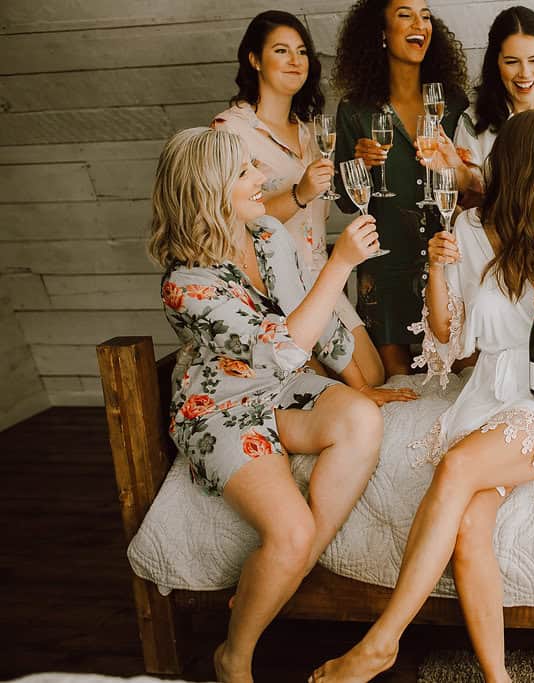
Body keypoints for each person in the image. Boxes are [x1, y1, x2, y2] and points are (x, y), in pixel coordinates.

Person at [310, 109, 534, 682]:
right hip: (492, 388)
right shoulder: (470, 230)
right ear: (522, 161)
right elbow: (448, 341)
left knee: (456, 466)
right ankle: (498, 678)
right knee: (470, 523)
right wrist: (434, 271)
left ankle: (381, 643)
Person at [149, 127, 385, 682]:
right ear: (207, 191)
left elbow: (311, 312)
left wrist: (362, 384)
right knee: (289, 530)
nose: (263, 181)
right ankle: (235, 656)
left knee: (361, 417)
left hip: (277, 392)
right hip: (220, 410)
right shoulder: (185, 285)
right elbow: (281, 349)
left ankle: (292, 571)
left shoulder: (264, 233)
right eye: (244, 174)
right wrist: (341, 263)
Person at [212, 10, 413, 405]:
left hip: (320, 272)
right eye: (281, 51)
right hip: (270, 285)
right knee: (333, 386)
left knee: (372, 374)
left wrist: (355, 165)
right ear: (254, 59)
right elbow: (229, 220)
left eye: (301, 52)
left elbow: (326, 202)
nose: (294, 61)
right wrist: (298, 193)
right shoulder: (230, 130)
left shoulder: (308, 131)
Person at [332, 0, 469, 377]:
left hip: (447, 258)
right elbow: (344, 199)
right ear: (381, 33)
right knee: (398, 385)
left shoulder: (453, 103)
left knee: (453, 375)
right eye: (405, 14)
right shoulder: (355, 110)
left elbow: (473, 186)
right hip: (385, 262)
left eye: (425, 15)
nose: (420, 23)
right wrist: (357, 166)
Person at [423, 5, 534, 203]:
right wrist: (457, 170)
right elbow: (471, 200)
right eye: (512, 62)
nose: (525, 73)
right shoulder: (474, 119)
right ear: (496, 63)